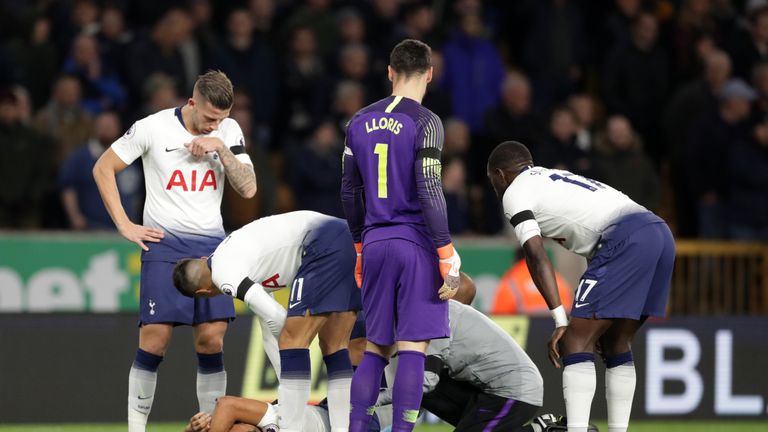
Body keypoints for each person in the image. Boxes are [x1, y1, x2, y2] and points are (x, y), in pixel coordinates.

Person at [92, 71, 257, 432]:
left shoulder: (227, 132)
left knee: (211, 339)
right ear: (192, 103)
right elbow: (103, 167)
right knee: (155, 339)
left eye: (222, 118)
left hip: (212, 248)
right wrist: (124, 223)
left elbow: (248, 189)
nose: (215, 124)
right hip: (164, 244)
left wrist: (221, 148)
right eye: (209, 117)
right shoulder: (152, 128)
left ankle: (215, 426)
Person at [486, 141, 674, 432]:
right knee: (615, 344)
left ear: (500, 175)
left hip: (626, 239)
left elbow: (535, 255)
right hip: (659, 233)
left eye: (492, 182)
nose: (495, 189)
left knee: (573, 340)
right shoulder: (553, 178)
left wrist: (560, 320)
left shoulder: (515, 192)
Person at [341, 39, 462, 432]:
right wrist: (446, 252)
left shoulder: (357, 121)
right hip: (415, 245)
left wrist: (360, 247)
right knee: (412, 348)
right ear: (429, 73)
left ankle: (358, 427)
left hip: (374, 242)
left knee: (375, 346)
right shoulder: (427, 121)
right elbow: (429, 187)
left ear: (390, 72)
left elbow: (349, 192)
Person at [172, 210, 361, 432]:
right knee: (335, 347)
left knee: (292, 338)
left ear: (203, 292)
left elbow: (277, 318)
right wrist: (286, 378)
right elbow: (267, 324)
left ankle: (292, 428)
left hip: (319, 245)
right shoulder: (230, 254)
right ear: (203, 259)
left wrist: (290, 387)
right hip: (345, 233)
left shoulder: (224, 275)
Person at [59, 111, 142, 230]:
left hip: (123, 229)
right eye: (103, 126)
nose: (106, 130)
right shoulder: (80, 157)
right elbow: (68, 188)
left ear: (118, 129)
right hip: (90, 227)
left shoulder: (129, 158)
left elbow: (136, 193)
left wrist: (134, 220)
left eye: (110, 127)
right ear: (95, 128)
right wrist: (75, 216)